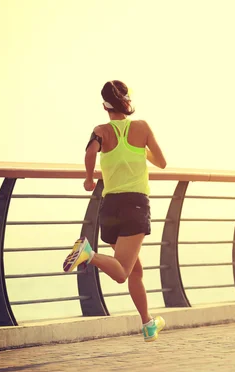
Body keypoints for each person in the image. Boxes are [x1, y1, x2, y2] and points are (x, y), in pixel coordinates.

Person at [63, 80, 167, 342]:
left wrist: (89, 179)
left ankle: (147, 324)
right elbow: (162, 162)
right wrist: (141, 151)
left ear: (104, 106)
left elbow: (90, 152)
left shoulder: (100, 131)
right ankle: (88, 254)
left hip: (109, 208)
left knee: (135, 271)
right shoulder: (142, 128)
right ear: (127, 101)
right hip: (135, 206)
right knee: (122, 272)